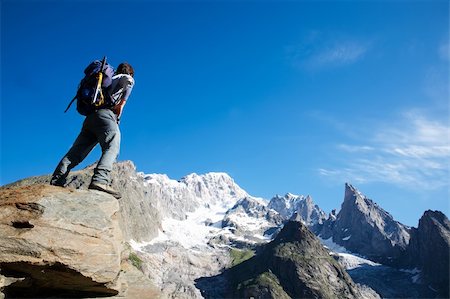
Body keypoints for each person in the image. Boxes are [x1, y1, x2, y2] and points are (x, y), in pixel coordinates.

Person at [50, 62, 135, 199]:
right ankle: (100, 180)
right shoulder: (125, 78)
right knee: (112, 144)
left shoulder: (106, 80)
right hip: (106, 116)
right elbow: (125, 93)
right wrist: (120, 110)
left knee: (75, 153)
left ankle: (57, 181)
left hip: (91, 118)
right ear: (130, 73)